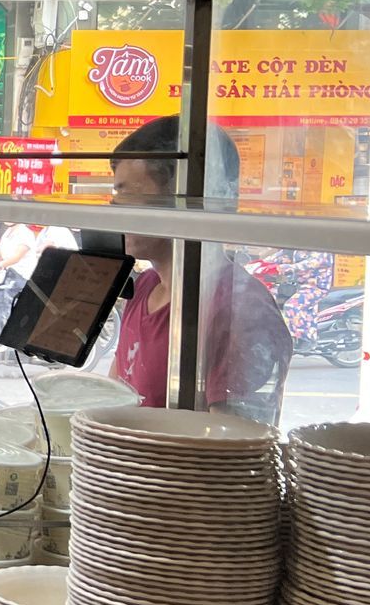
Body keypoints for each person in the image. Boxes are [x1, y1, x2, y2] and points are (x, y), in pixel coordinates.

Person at [108, 116, 292, 422]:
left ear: (180, 197)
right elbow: (112, 399)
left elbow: (230, 449)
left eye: (125, 194)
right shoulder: (144, 287)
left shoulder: (240, 312)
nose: (114, 209)